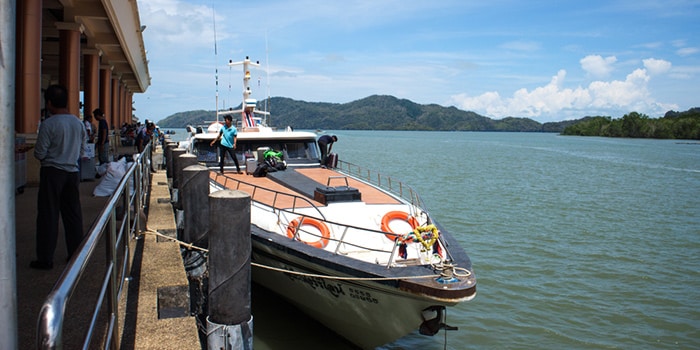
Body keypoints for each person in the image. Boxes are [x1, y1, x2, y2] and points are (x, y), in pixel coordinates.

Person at [31, 84, 87, 270]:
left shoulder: (49, 124)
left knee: (48, 215)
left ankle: (45, 258)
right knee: (73, 215)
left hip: (52, 172)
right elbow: (81, 150)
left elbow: (39, 153)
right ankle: (76, 254)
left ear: (49, 103)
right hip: (72, 173)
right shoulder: (77, 123)